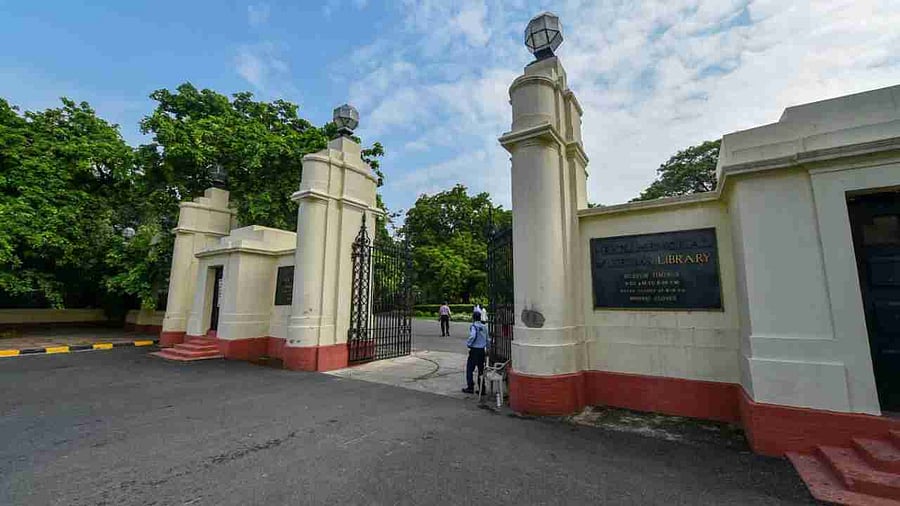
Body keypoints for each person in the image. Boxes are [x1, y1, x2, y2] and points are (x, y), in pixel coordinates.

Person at [462, 311, 488, 394]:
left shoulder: (474, 326)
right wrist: (487, 348)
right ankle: (482, 389)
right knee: (481, 370)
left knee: (470, 369)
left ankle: (470, 387)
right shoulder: (484, 327)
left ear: (473, 318)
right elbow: (487, 339)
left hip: (474, 350)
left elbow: (473, 336)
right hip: (481, 350)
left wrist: (469, 343)